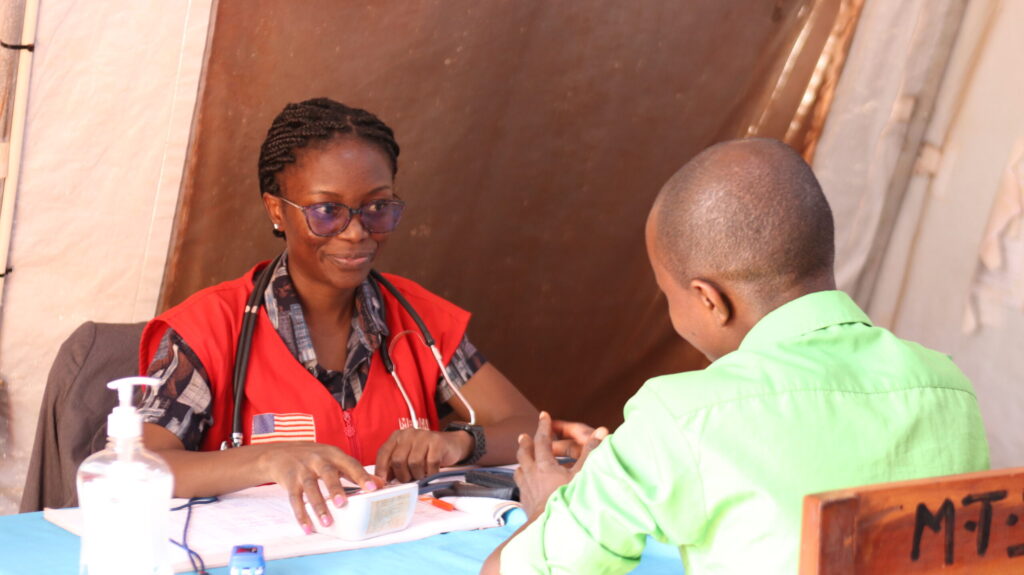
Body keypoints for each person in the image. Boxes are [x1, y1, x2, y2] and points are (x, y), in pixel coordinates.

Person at [482, 138, 989, 574]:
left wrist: (551, 512)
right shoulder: (949, 387)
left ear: (709, 299)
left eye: (669, 297)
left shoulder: (682, 416)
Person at [137, 98, 538, 534]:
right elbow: (138, 468)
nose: (356, 232)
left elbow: (528, 429)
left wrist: (457, 442)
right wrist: (266, 459)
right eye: (327, 211)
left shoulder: (419, 322)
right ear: (276, 210)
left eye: (377, 207)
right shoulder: (209, 329)